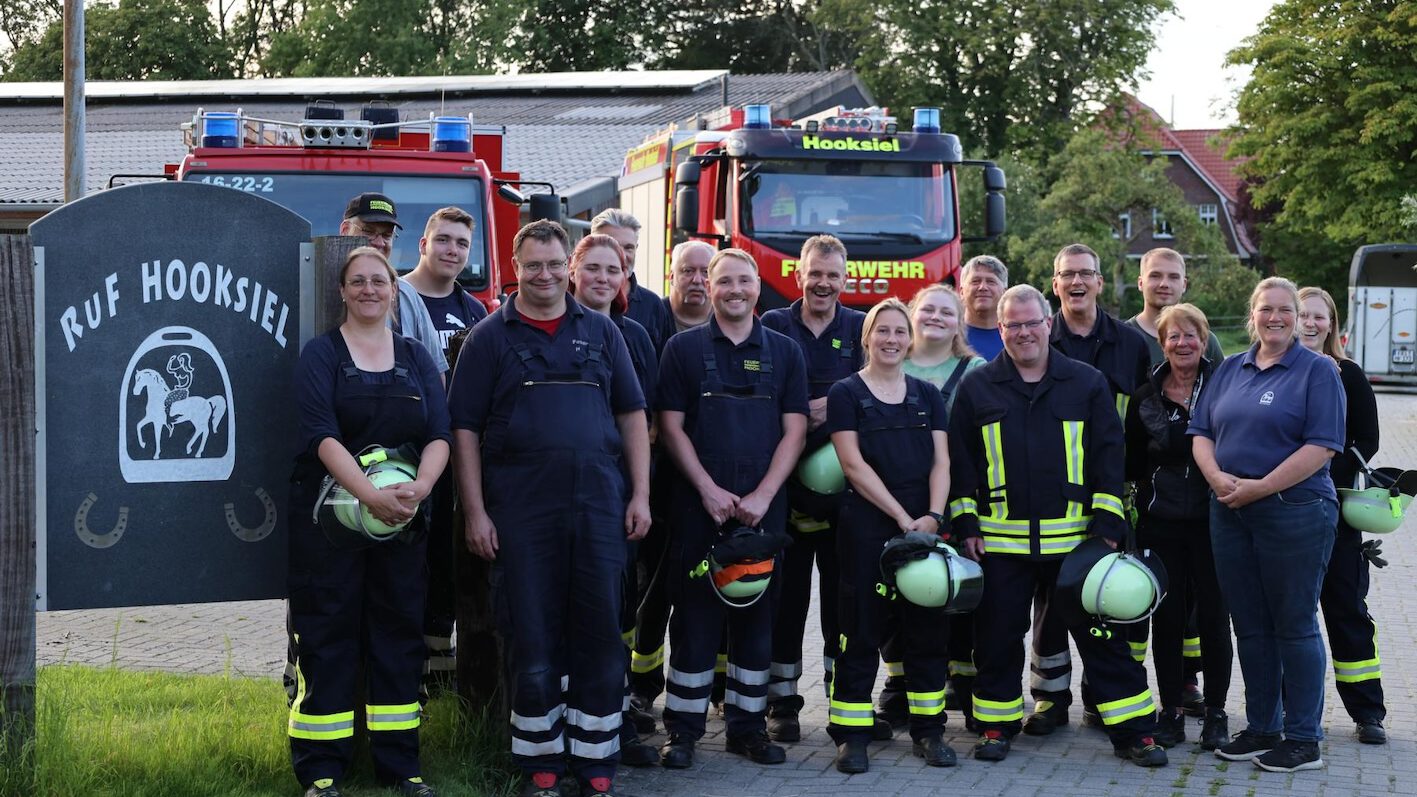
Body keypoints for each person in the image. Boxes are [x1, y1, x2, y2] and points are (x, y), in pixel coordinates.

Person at [449, 220, 651, 797]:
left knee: (600, 631)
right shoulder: (490, 336)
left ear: (569, 265)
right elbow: (463, 428)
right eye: (533, 264)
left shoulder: (604, 333)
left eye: (554, 263)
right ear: (515, 267)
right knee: (531, 633)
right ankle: (540, 761)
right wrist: (476, 512)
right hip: (520, 513)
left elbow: (632, 414)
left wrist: (640, 494)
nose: (545, 275)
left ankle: (595, 761)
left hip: (599, 508)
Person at [949, 284, 1164, 767]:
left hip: (1076, 544)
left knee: (1103, 640)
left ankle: (1135, 733)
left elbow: (1109, 455)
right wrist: (965, 523)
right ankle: (995, 726)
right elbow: (962, 463)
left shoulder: (1085, 383)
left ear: (1048, 325)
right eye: (1013, 325)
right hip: (1001, 545)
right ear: (999, 329)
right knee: (999, 639)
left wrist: (1108, 524)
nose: (1024, 332)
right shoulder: (978, 387)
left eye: (1032, 323)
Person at [287, 246, 451, 797]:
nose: (369, 290)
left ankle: (401, 767)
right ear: (343, 291)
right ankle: (321, 770)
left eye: (378, 281)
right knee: (328, 640)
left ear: (392, 289)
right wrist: (368, 498)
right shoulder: (322, 357)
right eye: (357, 281)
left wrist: (421, 489)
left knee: (399, 639)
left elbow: (440, 437)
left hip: (401, 529)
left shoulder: (415, 358)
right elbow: (321, 437)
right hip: (329, 535)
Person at [656, 248, 809, 768]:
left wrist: (765, 495)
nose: (735, 290)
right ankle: (682, 731)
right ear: (710, 287)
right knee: (695, 618)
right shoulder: (681, 349)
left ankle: (748, 728)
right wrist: (706, 489)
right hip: (701, 507)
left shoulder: (786, 352)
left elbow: (795, 429)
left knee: (757, 616)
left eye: (745, 281)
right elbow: (671, 427)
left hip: (763, 508)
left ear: (758, 287)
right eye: (724, 282)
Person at [1189, 276, 1346, 773]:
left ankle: (1304, 740)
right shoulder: (1231, 368)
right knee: (1250, 624)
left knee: (1294, 624)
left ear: (1298, 319)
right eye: (1266, 310)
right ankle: (1262, 727)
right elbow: (1201, 432)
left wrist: (1258, 487)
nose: (1275, 318)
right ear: (1251, 315)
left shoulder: (1318, 371)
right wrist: (1218, 480)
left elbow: (1320, 447)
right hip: (1230, 510)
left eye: (1285, 310)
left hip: (1294, 511)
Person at [826, 298, 956, 773]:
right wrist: (904, 518)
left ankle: (929, 732)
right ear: (868, 338)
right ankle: (852, 736)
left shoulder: (927, 395)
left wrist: (933, 518)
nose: (892, 339)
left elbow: (942, 462)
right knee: (860, 629)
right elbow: (853, 466)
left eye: (900, 332)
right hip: (868, 528)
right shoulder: (846, 392)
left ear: (910, 338)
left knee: (926, 632)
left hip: (923, 532)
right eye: (883, 331)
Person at [1026, 243, 1151, 736]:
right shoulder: (1038, 337)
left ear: (1101, 282)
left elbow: (1142, 421)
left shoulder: (1130, 344)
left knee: (1106, 594)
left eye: (1085, 274)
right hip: (1048, 494)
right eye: (1066, 275)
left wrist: (1132, 491)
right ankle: (1050, 698)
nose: (1076, 283)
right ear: (1053, 285)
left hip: (1109, 489)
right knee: (1050, 603)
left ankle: (1104, 698)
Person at [760, 235, 866, 741]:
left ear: (845, 279)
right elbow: (765, 399)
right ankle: (782, 703)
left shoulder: (860, 328)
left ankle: (842, 698)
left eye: (833, 275)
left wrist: (819, 405)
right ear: (799, 275)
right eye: (815, 273)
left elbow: (873, 397)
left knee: (843, 602)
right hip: (784, 491)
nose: (823, 283)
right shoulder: (773, 325)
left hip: (846, 497)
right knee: (786, 599)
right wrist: (817, 407)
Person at [567, 233, 660, 768]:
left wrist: (637, 491)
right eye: (594, 267)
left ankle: (615, 712)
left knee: (617, 607)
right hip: (561, 496)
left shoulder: (634, 336)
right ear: (574, 272)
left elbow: (643, 423)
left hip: (617, 494)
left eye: (615, 270)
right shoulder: (551, 328)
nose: (604, 278)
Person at [1124, 303, 1232, 751]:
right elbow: (1131, 463)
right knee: (1166, 621)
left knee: (1213, 618)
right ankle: (1169, 711)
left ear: (1204, 340)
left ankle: (1217, 712)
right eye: (1174, 337)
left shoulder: (1226, 387)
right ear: (1162, 343)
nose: (1183, 344)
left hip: (1216, 522)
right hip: (1161, 523)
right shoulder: (1145, 396)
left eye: (1192, 335)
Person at [881, 284, 986, 728]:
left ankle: (961, 682)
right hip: (892, 497)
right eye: (928, 309)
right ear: (911, 315)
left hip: (953, 497)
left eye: (947, 311)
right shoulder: (888, 363)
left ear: (959, 322)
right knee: (893, 595)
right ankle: (898, 685)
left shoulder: (975, 370)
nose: (936, 317)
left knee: (948, 592)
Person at [626, 239, 715, 726]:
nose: (698, 280)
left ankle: (711, 687)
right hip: (660, 477)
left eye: (707, 272)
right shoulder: (653, 324)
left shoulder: (739, 331)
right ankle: (643, 686)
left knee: (706, 586)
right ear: (672, 275)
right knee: (651, 587)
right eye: (689, 271)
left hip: (714, 481)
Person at [401, 206, 488, 698]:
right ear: (423, 244)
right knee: (413, 561)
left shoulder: (475, 313)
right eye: (444, 241)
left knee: (447, 564)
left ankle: (439, 674)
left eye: (461, 244)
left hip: (460, 456)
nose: (452, 251)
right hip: (410, 454)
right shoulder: (398, 299)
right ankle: (406, 670)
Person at [1297, 286, 1387, 745]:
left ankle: (1368, 711)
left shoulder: (1349, 375)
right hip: (1285, 513)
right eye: (1303, 315)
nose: (1310, 323)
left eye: (1319, 316)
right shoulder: (1279, 373)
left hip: (1337, 514)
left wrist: (1322, 466)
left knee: (1347, 610)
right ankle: (1288, 711)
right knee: (1291, 618)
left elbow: (1366, 440)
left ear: (1332, 325)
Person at [339, 193, 449, 378]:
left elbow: (436, 374)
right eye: (368, 231)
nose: (379, 242)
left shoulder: (407, 295)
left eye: (387, 235)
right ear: (345, 230)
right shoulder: (316, 287)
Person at [1127, 248, 1225, 367]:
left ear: (1184, 285)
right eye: (1155, 276)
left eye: (1173, 277)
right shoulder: (1122, 338)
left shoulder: (1204, 340)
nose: (1164, 284)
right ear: (1140, 283)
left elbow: (1225, 384)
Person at [591, 209, 672, 353]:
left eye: (628, 248)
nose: (621, 255)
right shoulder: (567, 302)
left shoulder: (652, 305)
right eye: (612, 245)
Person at [958, 255, 1008, 361]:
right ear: (961, 292)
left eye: (991, 281)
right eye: (975, 281)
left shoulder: (1017, 337)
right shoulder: (948, 336)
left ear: (1004, 292)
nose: (983, 287)